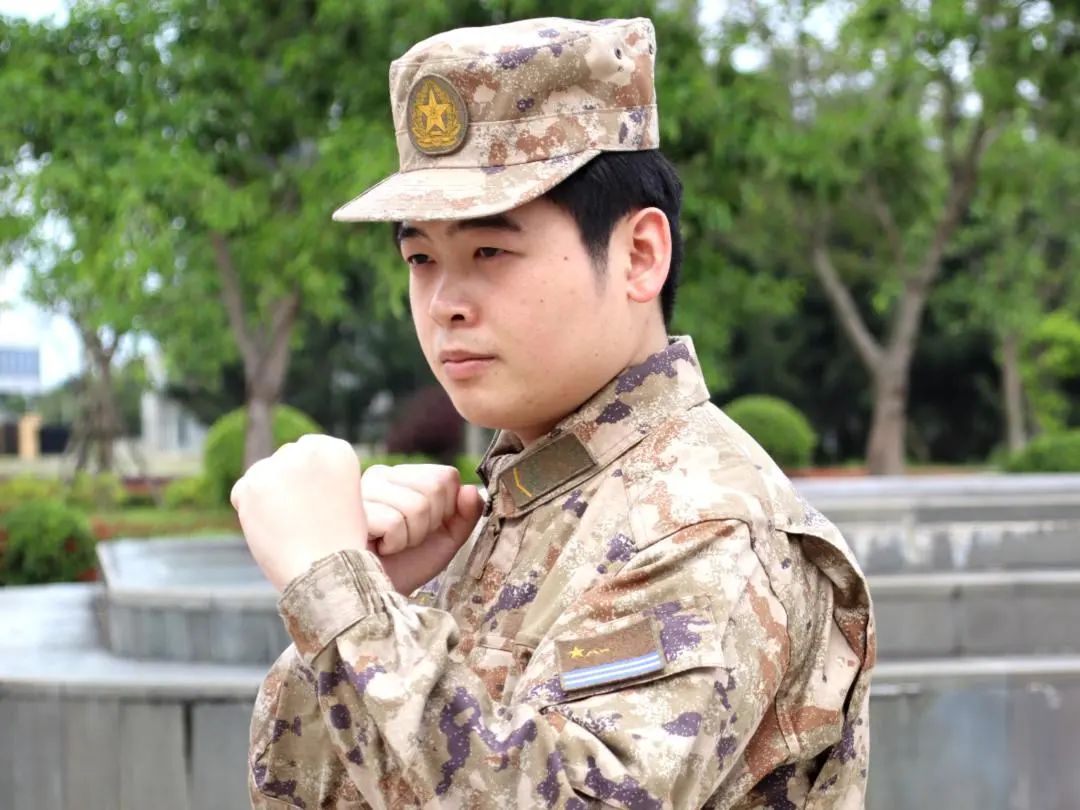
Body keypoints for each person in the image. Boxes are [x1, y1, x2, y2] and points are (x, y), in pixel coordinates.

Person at [231, 16, 875, 810]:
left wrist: (334, 592)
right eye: (421, 257)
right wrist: (371, 600)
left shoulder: (706, 528)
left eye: (489, 252)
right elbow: (304, 792)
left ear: (640, 255)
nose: (444, 303)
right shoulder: (518, 503)